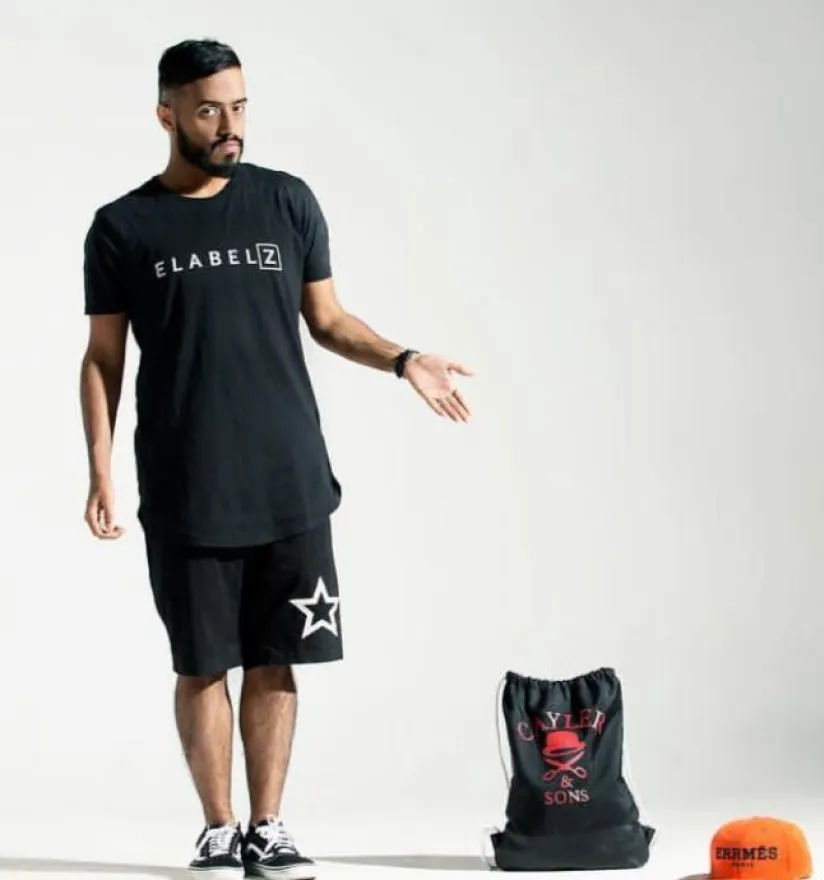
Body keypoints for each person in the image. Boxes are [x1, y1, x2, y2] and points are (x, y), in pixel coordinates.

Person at [78, 38, 473, 879]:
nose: (230, 125)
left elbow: (328, 321)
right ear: (167, 114)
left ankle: (270, 826)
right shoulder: (123, 226)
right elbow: (103, 359)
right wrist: (101, 471)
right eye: (209, 110)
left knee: (275, 655)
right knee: (200, 663)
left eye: (240, 106)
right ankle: (218, 830)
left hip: (289, 479)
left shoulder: (286, 201)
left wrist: (405, 358)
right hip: (186, 483)